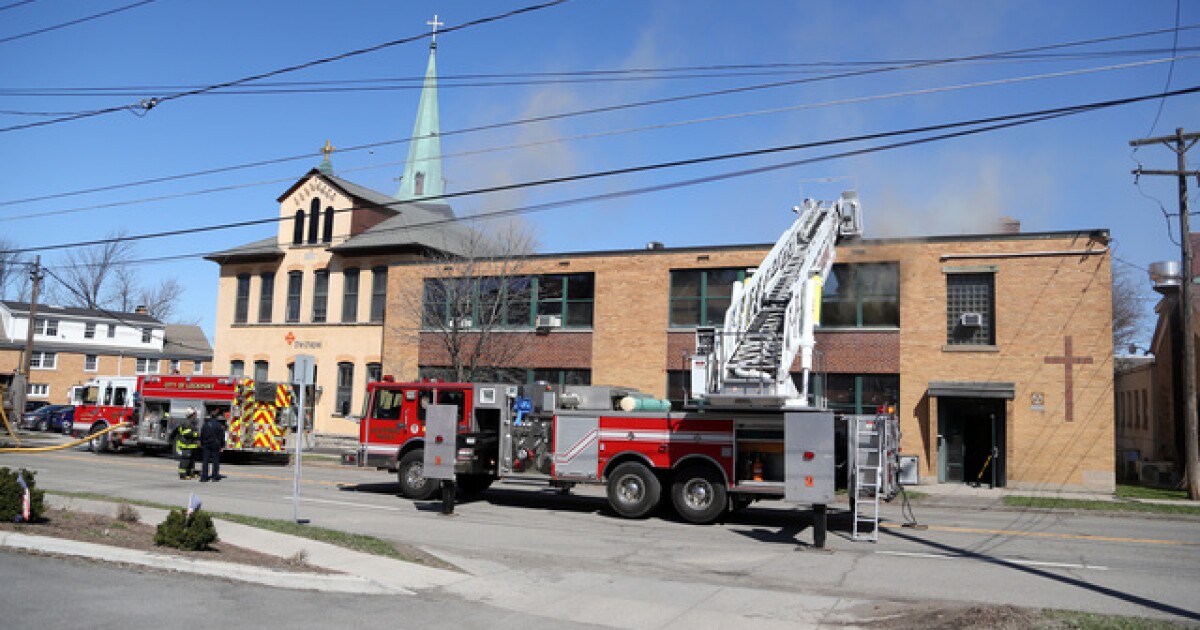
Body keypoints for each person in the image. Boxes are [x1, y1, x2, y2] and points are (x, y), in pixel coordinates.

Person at [199, 407, 226, 482]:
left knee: (205, 461)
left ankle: (204, 477)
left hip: (206, 444)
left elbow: (202, 435)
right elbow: (221, 436)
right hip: (215, 444)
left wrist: (201, 443)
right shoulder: (219, 425)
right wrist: (222, 446)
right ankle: (215, 476)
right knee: (215, 460)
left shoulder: (205, 425)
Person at [176, 409, 199, 480]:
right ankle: (183, 475)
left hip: (191, 445)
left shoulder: (191, 422)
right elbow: (186, 434)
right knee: (185, 460)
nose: (196, 415)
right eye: (194, 414)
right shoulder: (187, 423)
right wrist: (197, 434)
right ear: (191, 415)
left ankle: (190, 473)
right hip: (186, 445)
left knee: (191, 460)